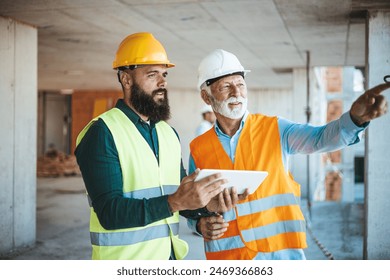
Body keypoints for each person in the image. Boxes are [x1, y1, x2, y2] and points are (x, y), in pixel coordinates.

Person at [187, 49, 389, 260]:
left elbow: (320, 139)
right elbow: (192, 204)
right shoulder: (198, 147)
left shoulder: (275, 128)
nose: (236, 93)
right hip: (229, 261)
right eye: (225, 87)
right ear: (206, 96)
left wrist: (354, 120)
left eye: (240, 84)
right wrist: (199, 224)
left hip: (280, 257)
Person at [74, 33, 229, 260]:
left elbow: (176, 197)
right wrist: (175, 201)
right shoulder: (102, 132)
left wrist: (204, 210)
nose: (162, 82)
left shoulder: (168, 133)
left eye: (164, 74)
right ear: (126, 79)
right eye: (152, 74)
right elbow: (109, 213)